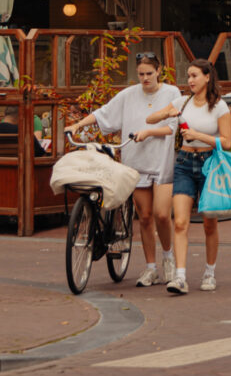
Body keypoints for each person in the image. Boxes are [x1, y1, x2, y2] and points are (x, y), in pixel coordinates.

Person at [67, 51, 182, 289]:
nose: (145, 78)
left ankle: (168, 257)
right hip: (136, 161)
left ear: (159, 71)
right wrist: (77, 124)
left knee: (162, 214)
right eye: (141, 74)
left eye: (149, 73)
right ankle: (151, 268)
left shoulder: (172, 93)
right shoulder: (128, 95)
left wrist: (148, 132)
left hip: (161, 161)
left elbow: (173, 127)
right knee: (145, 217)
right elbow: (103, 114)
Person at [147, 59, 231, 293]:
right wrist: (168, 112)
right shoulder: (181, 103)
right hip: (184, 163)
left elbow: (227, 142)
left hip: (209, 165)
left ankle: (209, 272)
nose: (190, 80)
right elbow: (150, 119)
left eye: (195, 75)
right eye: (188, 76)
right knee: (181, 222)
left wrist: (198, 135)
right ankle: (181, 277)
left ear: (207, 77)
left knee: (208, 223)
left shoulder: (219, 107)